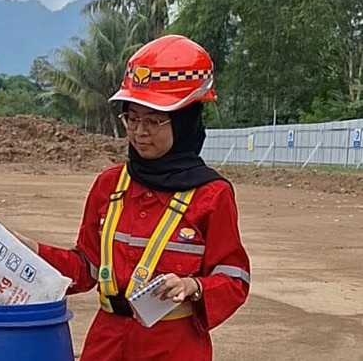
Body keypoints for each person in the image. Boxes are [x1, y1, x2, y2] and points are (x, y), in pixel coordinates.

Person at [14, 35, 250, 361]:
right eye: (132, 118)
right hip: (106, 342)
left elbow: (234, 279)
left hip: (173, 346)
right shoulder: (110, 185)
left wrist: (194, 286)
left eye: (153, 121)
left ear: (184, 122)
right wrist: (31, 250)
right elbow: (88, 269)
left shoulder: (212, 195)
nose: (140, 132)